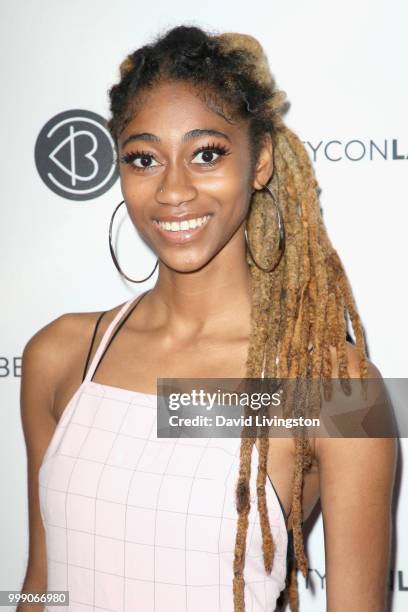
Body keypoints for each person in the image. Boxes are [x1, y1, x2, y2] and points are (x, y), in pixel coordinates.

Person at [19, 25, 397, 612]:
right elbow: (42, 583)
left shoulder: (334, 392)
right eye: (144, 158)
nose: (173, 190)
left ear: (261, 160)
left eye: (207, 154)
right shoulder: (59, 355)